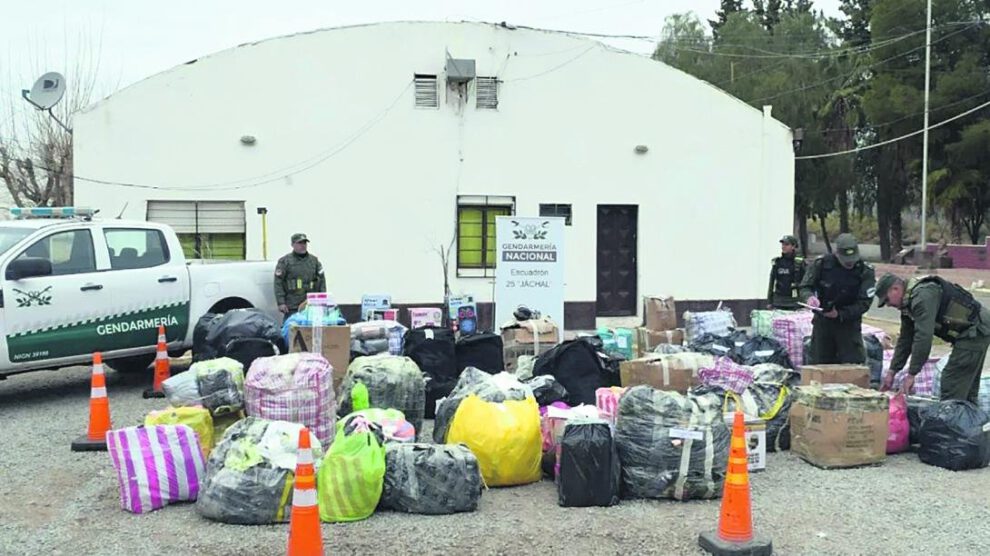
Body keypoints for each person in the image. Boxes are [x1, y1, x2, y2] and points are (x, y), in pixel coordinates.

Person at [874, 273, 990, 401]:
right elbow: (905, 339)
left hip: (975, 330)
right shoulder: (908, 302)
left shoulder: (922, 296)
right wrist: (892, 371)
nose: (888, 305)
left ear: (895, 289)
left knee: (952, 381)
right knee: (965, 386)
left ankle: (953, 418)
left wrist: (912, 374)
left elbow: (923, 337)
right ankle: (968, 416)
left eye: (887, 300)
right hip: (972, 330)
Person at [798, 233, 876, 364]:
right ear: (836, 254)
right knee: (820, 366)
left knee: (851, 368)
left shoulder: (864, 270)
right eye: (846, 260)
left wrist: (840, 314)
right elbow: (805, 287)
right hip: (823, 324)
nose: (849, 263)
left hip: (849, 325)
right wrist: (810, 298)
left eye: (852, 259)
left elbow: (865, 302)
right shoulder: (821, 265)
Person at [274, 233, 326, 315]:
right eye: (299, 243)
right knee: (291, 326)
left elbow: (322, 281)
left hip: (311, 304)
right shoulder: (285, 261)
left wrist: (323, 300)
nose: (303, 245)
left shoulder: (314, 261)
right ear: (292, 245)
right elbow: (278, 283)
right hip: (292, 306)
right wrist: (281, 302)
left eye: (304, 243)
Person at [767, 235, 806, 310]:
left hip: (795, 302)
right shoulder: (777, 262)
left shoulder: (799, 262)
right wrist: (769, 301)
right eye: (782, 244)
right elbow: (772, 283)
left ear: (793, 246)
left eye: (786, 244)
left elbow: (806, 284)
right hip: (779, 302)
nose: (783, 247)